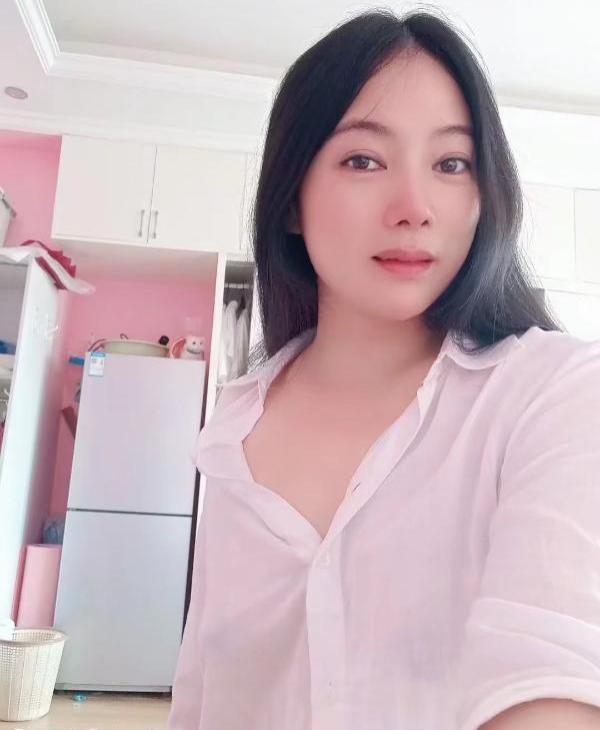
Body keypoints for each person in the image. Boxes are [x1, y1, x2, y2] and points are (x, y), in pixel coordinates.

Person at [168, 8, 600, 730]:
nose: (414, 208)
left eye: (451, 164)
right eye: (364, 160)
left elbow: (551, 672)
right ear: (292, 199)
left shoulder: (554, 394)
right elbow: (203, 698)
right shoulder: (231, 432)